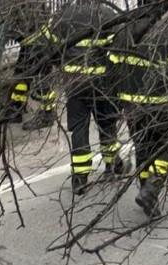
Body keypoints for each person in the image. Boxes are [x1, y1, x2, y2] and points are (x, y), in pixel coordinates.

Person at [108, 4, 168, 217]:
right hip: (162, 103)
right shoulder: (167, 32)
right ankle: (152, 188)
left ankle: (148, 197)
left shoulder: (122, 32)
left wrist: (120, 100)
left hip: (132, 106)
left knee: (144, 149)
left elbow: (112, 70)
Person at [49, 0, 125, 195]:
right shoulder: (107, 15)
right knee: (107, 123)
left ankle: (80, 178)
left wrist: (65, 69)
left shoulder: (63, 17)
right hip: (103, 82)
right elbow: (120, 49)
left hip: (74, 83)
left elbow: (52, 51)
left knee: (79, 128)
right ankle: (112, 165)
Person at [0, 0, 58, 130]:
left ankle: (47, 114)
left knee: (41, 80)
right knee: (21, 75)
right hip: (30, 40)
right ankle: (16, 108)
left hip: (37, 41)